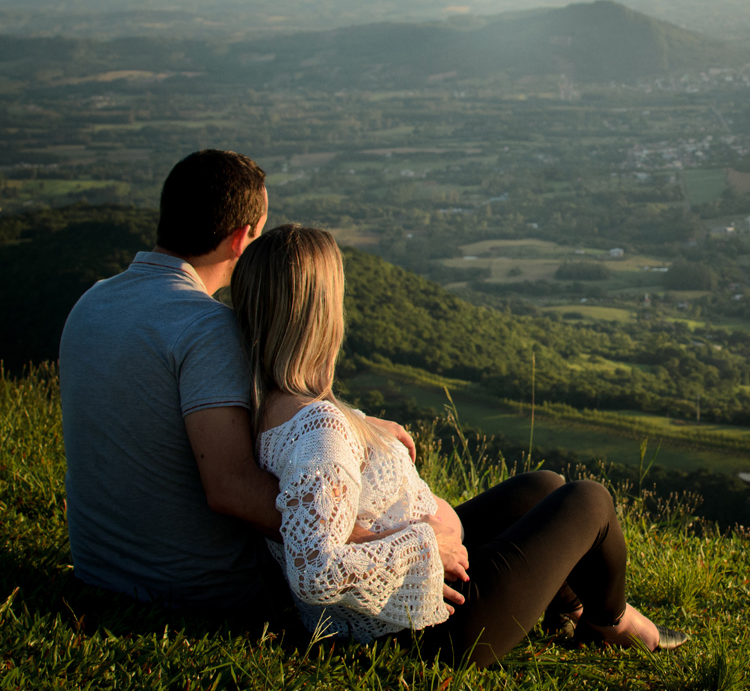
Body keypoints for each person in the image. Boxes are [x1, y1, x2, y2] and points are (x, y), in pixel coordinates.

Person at [231, 224, 686, 668]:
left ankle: (566, 610)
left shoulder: (271, 407)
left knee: (543, 487)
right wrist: (427, 547)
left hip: (413, 603)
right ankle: (613, 621)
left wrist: (362, 425)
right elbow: (317, 570)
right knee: (591, 500)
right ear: (322, 314)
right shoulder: (321, 432)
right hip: (432, 625)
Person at [58, 150, 410, 611]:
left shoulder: (91, 303)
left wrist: (359, 426)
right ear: (242, 238)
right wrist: (397, 549)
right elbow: (232, 487)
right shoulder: (208, 329)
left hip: (98, 569)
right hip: (198, 589)